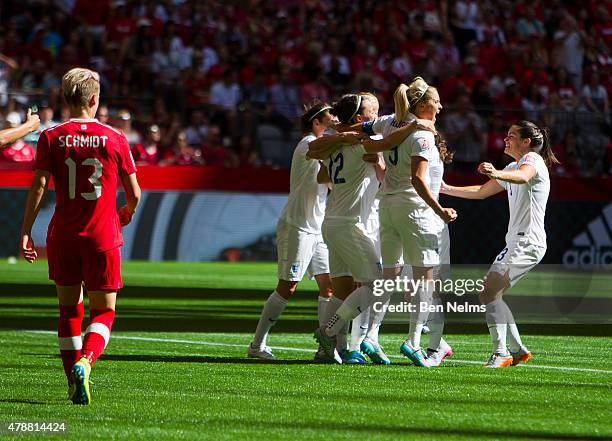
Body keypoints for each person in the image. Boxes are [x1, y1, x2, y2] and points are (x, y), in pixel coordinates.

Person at [20, 67, 141, 404]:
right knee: (103, 311)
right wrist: (127, 211)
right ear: (93, 99)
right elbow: (134, 191)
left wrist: (27, 230)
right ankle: (86, 363)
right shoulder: (115, 137)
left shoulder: (50, 136)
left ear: (66, 98)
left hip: (63, 235)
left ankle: (72, 383)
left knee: (67, 311)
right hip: (102, 235)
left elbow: (40, 185)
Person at [309, 92, 436, 364]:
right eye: (372, 110)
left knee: (342, 289)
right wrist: (413, 126)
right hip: (350, 224)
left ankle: (334, 350)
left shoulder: (334, 143)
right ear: (358, 117)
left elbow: (318, 162)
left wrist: (338, 136)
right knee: (376, 284)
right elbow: (389, 141)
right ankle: (328, 331)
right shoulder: (365, 141)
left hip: (332, 222)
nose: (377, 116)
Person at [441, 120, 557, 368]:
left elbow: (523, 177)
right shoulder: (513, 165)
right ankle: (516, 350)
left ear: (526, 142)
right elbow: (482, 191)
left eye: (512, 135)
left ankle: (502, 352)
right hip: (519, 242)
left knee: (488, 293)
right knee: (492, 294)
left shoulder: (532, 161)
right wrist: (445, 188)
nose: (506, 139)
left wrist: (496, 172)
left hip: (527, 242)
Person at [247, 101, 334, 360]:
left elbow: (326, 179)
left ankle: (324, 346)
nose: (335, 119)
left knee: (328, 286)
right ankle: (257, 345)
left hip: (317, 227)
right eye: (331, 116)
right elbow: (325, 155)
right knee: (288, 287)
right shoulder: (308, 143)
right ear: (317, 123)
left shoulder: (322, 147)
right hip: (297, 225)